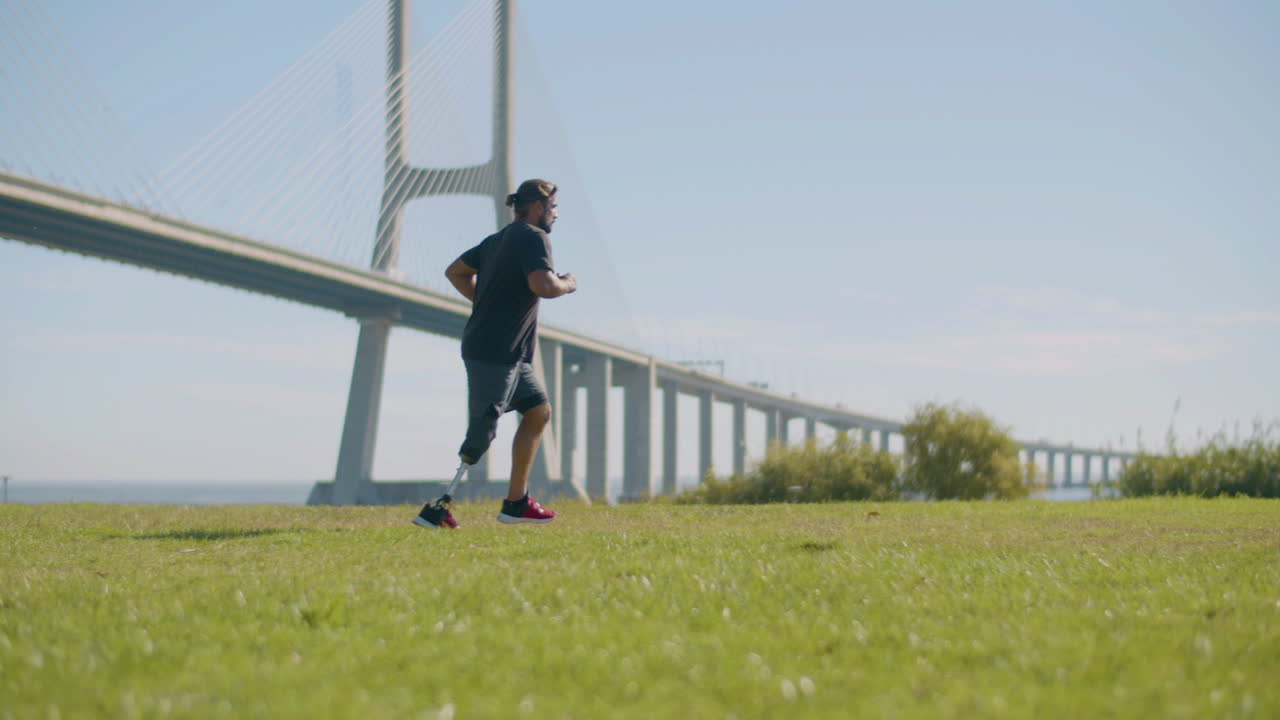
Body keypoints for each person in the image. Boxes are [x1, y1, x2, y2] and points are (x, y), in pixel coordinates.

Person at [414, 179, 577, 529]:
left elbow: (455, 272)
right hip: (495, 350)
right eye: (553, 208)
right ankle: (436, 510)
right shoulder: (534, 237)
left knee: (538, 412)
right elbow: (543, 285)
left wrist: (489, 300)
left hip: (510, 353)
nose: (556, 215)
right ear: (537, 207)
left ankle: (516, 503)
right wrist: (568, 283)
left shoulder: (497, 240)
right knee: (483, 428)